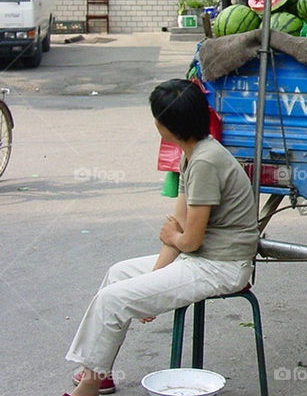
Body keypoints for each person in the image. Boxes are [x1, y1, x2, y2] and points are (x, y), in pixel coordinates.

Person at [64, 80, 258, 396]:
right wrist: (154, 282)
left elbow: (188, 239)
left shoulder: (206, 161)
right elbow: (178, 230)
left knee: (111, 301)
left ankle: (86, 389)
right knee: (117, 275)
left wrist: (171, 240)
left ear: (166, 126)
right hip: (200, 258)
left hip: (221, 265)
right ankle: (98, 371)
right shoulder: (192, 153)